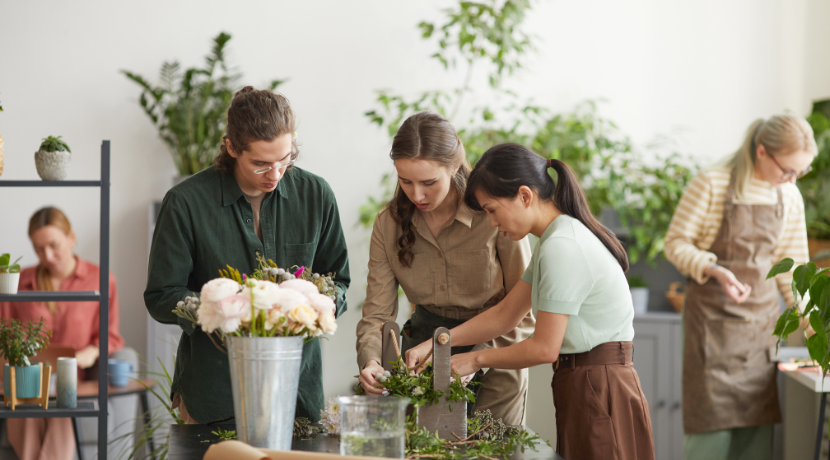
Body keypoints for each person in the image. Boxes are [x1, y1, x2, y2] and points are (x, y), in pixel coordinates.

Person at [406, 143, 655, 460]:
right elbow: (505, 314)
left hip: (599, 384)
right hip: (585, 382)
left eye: (492, 210)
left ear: (525, 195)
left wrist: (475, 360)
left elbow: (543, 348)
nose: (492, 223)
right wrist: (436, 343)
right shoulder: (554, 239)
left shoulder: (562, 246)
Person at [144, 86, 350, 424]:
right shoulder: (185, 203)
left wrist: (312, 305)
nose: (275, 175)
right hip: (213, 395)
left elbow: (339, 280)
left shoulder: (316, 195)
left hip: (298, 392)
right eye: (260, 164)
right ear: (231, 147)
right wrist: (226, 310)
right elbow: (161, 296)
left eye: (285, 160)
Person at [356, 112, 535, 425]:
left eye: (429, 182)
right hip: (421, 359)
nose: (417, 195)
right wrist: (371, 360)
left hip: (495, 356)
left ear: (454, 166)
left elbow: (522, 311)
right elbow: (377, 314)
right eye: (405, 181)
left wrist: (475, 359)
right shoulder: (389, 224)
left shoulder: (493, 215)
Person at [664, 115, 816, 460]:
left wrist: (815, 330)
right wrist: (714, 269)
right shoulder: (712, 184)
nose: (791, 180)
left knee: (755, 441)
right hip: (711, 330)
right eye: (787, 171)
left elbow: (794, 272)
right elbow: (675, 243)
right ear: (762, 151)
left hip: (761, 330)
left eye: (800, 173)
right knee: (709, 439)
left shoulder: (789, 197)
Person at [1, 206, 124, 460]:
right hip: (26, 380)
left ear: (71, 237)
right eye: (38, 248)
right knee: (29, 399)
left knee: (62, 402)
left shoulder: (100, 279)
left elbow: (111, 335)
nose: (47, 255)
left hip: (72, 379)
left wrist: (93, 351)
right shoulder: (17, 283)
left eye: (54, 245)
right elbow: (4, 335)